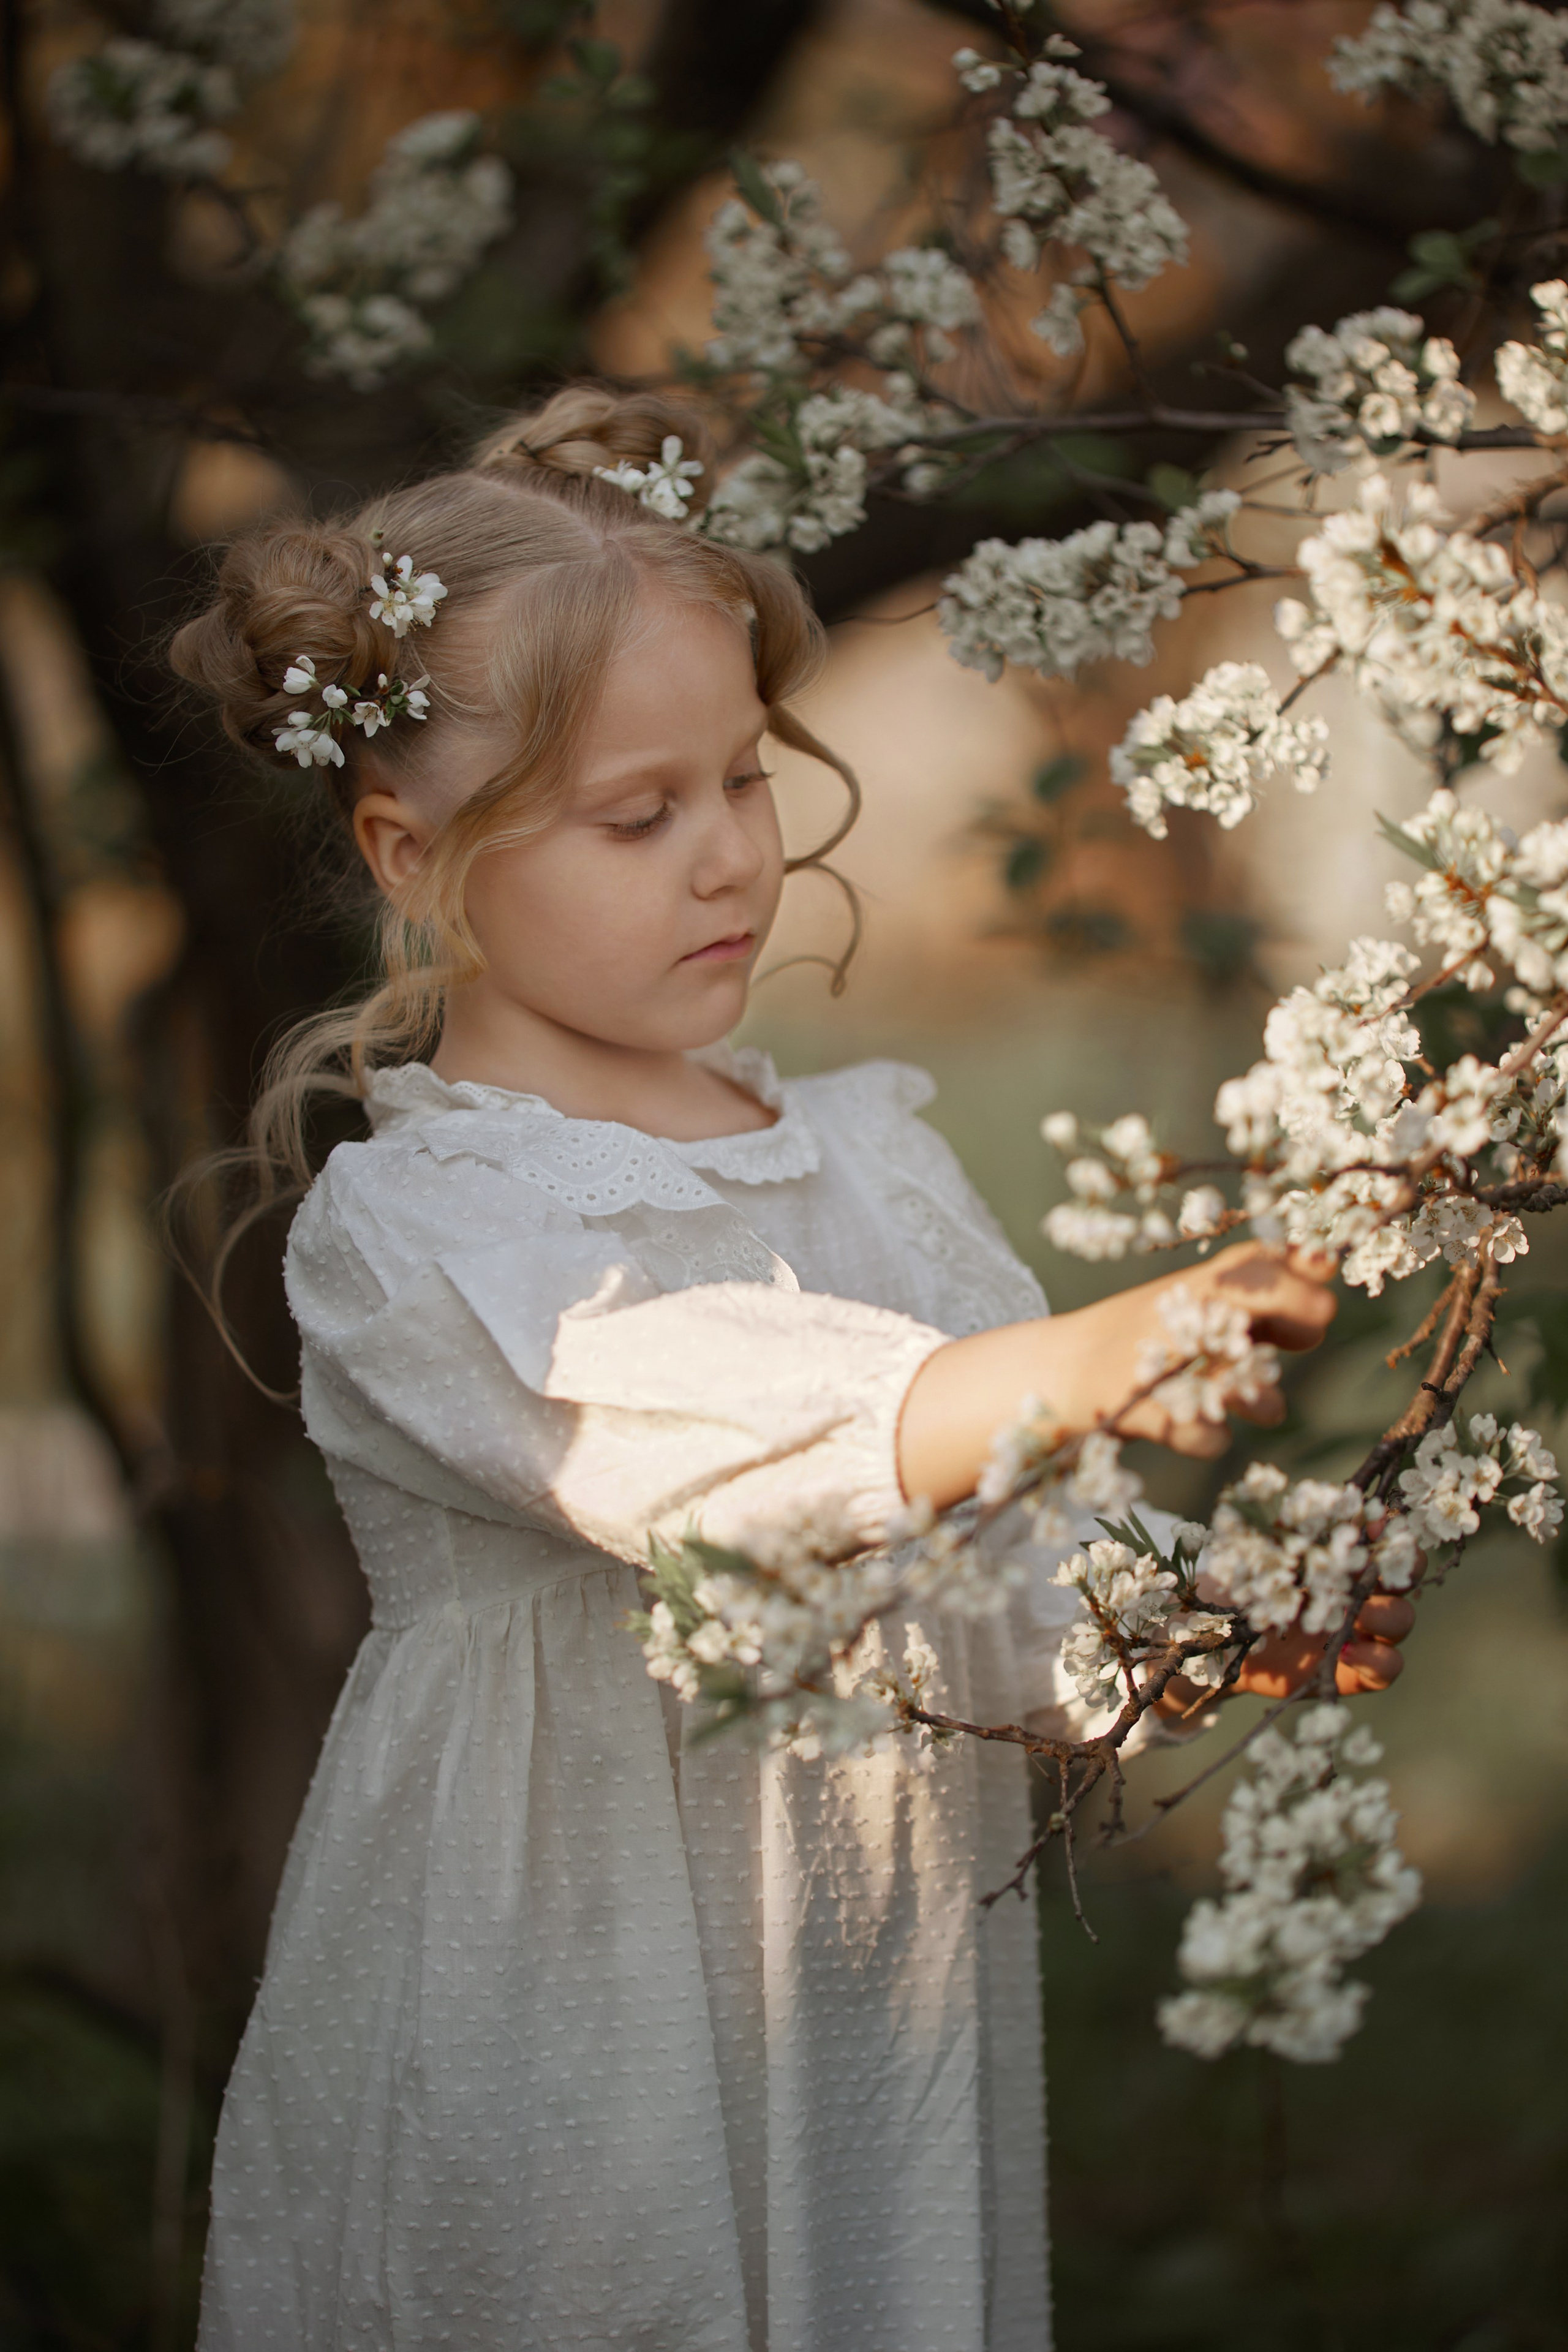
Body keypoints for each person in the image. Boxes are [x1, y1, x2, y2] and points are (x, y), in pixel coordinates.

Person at [172, 387, 1409, 2352]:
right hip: (574, 2024)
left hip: (857, 1993)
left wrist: (1181, 1625)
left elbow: (996, 1531)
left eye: (744, 781)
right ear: (413, 852)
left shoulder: (869, 1156)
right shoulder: (425, 1234)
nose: (729, 856)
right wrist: (1078, 1359)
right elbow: (705, 1436)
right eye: (639, 815)